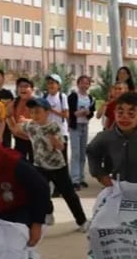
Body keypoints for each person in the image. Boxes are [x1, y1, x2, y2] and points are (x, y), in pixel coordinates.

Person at [8, 98, 87, 230]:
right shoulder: (30, 125)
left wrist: (55, 141)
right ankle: (48, 213)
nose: (34, 115)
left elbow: (61, 147)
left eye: (37, 112)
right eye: (32, 112)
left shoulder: (53, 126)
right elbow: (15, 129)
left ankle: (82, 221)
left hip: (58, 167)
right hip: (39, 166)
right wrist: (9, 116)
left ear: (47, 112)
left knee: (69, 195)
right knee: (40, 192)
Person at [68, 74, 96, 188]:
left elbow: (92, 112)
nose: (84, 85)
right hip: (75, 127)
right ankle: (75, 179)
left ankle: (81, 178)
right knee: (75, 153)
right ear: (78, 84)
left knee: (82, 153)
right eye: (82, 82)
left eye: (87, 83)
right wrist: (78, 113)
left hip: (85, 126)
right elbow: (70, 112)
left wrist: (88, 113)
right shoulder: (73, 96)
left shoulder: (90, 98)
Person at [43, 74, 70, 173]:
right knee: (49, 158)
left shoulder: (62, 97)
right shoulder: (45, 97)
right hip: (48, 132)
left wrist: (51, 110)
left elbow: (66, 115)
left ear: (58, 85)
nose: (50, 85)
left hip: (61, 132)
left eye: (53, 83)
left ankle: (64, 179)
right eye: (49, 83)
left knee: (62, 158)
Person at [10, 77, 35, 161]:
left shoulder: (37, 102)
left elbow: (42, 120)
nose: (23, 88)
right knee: (19, 163)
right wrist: (13, 128)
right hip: (19, 139)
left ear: (32, 89)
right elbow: (7, 115)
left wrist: (27, 121)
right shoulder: (15, 102)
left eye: (26, 86)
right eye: (20, 86)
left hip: (34, 140)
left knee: (34, 164)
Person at [0, 69, 16, 147]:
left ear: (3, 79)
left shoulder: (7, 94)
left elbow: (11, 111)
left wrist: (14, 127)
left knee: (5, 149)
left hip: (5, 128)